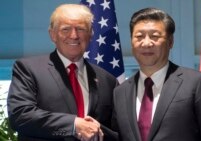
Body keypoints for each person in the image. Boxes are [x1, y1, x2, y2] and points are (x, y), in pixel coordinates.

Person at [113, 7, 201, 141]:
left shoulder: (196, 83)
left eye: (154, 36)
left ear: (170, 42)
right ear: (131, 42)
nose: (146, 43)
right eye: (139, 36)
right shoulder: (120, 92)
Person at [7, 4, 118, 141]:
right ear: (53, 35)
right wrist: (74, 124)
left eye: (81, 29)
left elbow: (117, 132)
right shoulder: (28, 69)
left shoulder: (108, 80)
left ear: (91, 35)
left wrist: (96, 132)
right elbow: (20, 115)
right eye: (65, 29)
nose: (74, 35)